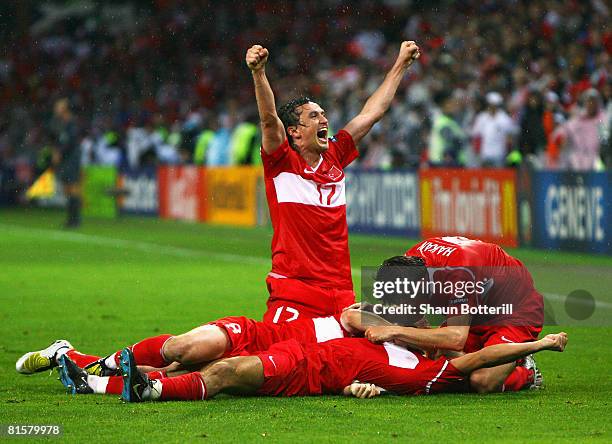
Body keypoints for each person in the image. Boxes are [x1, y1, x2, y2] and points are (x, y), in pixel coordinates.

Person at [245, 41, 420, 323]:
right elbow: (268, 120)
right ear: (295, 133)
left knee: (349, 363)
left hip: (340, 294)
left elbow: (371, 113)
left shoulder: (335, 156)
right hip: (295, 291)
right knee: (274, 361)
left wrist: (401, 64)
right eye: (314, 116)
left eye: (323, 113)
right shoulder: (281, 162)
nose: (324, 118)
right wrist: (259, 73)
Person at [16, 308, 389, 395]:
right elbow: (351, 316)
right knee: (187, 347)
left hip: (275, 361)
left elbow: (343, 375)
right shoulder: (371, 320)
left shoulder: (392, 356)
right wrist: (396, 324)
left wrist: (358, 387)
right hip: (258, 334)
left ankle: (76, 363)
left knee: (177, 373)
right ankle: (101, 364)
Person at [115, 330, 567, 402]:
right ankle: (103, 380)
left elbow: (485, 359)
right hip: (302, 349)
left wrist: (539, 344)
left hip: (305, 372)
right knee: (200, 361)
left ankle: (149, 392)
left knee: (226, 371)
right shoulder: (408, 347)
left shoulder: (438, 374)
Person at [364, 236, 544, 394]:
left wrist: (396, 331)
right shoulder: (408, 265)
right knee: (438, 361)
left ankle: (525, 367)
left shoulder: (459, 274)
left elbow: (456, 339)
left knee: (482, 381)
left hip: (514, 310)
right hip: (478, 309)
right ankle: (495, 355)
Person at [51, 98, 83, 228]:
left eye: (58, 106)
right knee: (67, 188)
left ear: (64, 109)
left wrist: (60, 152)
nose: (56, 109)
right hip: (66, 158)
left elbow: (71, 142)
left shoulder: (71, 123)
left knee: (72, 187)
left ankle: (75, 219)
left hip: (72, 158)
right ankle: (71, 219)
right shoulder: (61, 123)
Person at [471, 92, 518, 167]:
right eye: (491, 105)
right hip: (484, 153)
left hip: (499, 153)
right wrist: (477, 151)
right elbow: (475, 134)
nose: (492, 107)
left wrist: (508, 149)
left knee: (497, 175)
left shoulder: (504, 119)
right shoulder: (482, 117)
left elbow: (510, 135)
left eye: (494, 105)